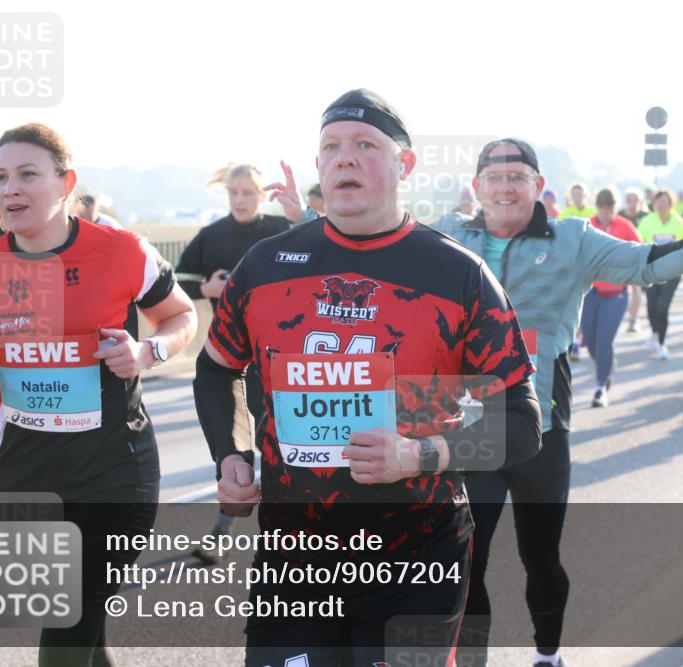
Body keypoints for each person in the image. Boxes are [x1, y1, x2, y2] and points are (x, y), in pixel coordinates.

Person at [193, 90, 542, 667]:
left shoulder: (456, 273)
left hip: (415, 556)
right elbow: (216, 368)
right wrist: (231, 455)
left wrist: (417, 454)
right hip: (295, 557)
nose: (344, 159)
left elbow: (523, 423)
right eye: (330, 147)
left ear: (404, 164)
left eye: (364, 145)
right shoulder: (265, 267)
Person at [433, 138, 683, 667]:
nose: (506, 186)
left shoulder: (572, 238)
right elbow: (378, 250)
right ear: (477, 187)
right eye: (495, 176)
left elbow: (645, 264)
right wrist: (310, 221)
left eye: (518, 176)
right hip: (468, 425)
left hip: (540, 426)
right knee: (466, 558)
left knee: (540, 557)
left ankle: (547, 653)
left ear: (538, 186)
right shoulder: (446, 236)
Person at [0, 123, 197, 666]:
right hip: (27, 478)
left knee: (68, 630)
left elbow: (181, 316)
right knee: (75, 625)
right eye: (1, 177)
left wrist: (150, 353)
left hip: (114, 472)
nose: (11, 189)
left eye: (28, 174)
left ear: (65, 182)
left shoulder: (121, 252)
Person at [175, 161, 307, 564]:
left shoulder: (279, 231)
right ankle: (222, 531)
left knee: (282, 446)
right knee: (234, 448)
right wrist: (205, 287)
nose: (239, 200)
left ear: (261, 194)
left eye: (247, 193)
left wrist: (300, 216)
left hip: (281, 359)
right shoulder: (212, 234)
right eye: (233, 194)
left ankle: (296, 539)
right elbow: (172, 280)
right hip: (231, 358)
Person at [579, 188, 641, 406]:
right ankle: (606, 365)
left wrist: (636, 285)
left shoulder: (625, 226)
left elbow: (640, 252)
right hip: (591, 293)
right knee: (590, 341)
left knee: (604, 340)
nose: (608, 214)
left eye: (612, 209)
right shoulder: (587, 226)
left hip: (616, 294)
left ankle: (600, 388)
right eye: (604, 210)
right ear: (598, 208)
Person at [636, 188, 683, 359]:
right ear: (654, 204)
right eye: (658, 202)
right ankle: (654, 332)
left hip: (672, 272)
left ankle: (661, 343)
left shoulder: (680, 223)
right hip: (651, 270)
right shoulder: (647, 221)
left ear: (671, 203)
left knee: (663, 306)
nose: (661, 205)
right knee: (652, 305)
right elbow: (638, 243)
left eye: (665, 202)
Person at [619, 187, 648, 334]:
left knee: (636, 290)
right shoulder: (619, 215)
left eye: (634, 199)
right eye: (629, 199)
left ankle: (633, 320)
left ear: (640, 200)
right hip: (620, 259)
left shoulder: (646, 216)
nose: (631, 202)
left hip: (638, 259)